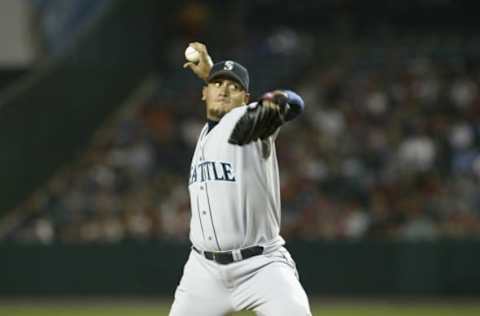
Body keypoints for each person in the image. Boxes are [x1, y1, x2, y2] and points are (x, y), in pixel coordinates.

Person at [169, 42, 312, 316]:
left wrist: (277, 102)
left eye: (234, 87)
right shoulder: (203, 135)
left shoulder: (248, 124)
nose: (224, 89)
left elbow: (293, 103)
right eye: (218, 84)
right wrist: (211, 72)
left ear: (246, 99)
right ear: (204, 93)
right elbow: (217, 106)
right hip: (203, 270)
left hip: (260, 266)